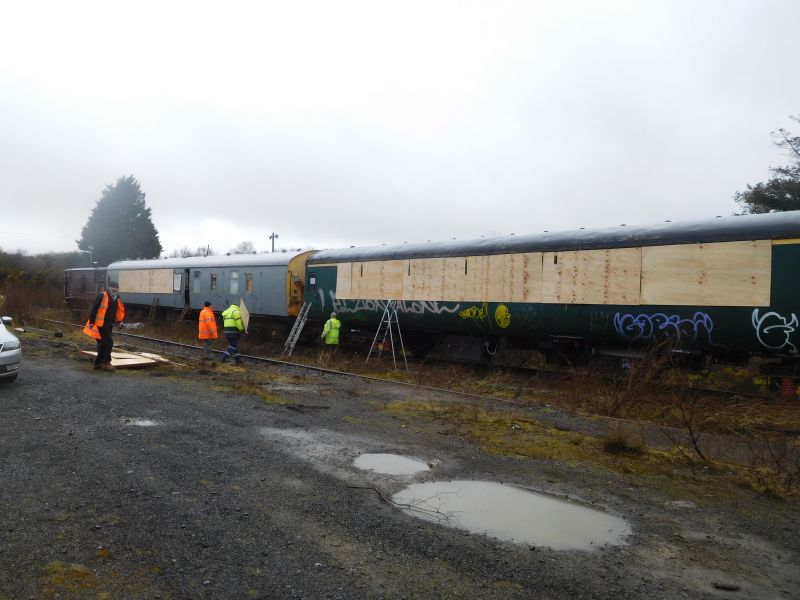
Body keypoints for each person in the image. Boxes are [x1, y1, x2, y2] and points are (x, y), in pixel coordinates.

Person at [83, 281, 125, 370]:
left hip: (110, 323)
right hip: (100, 324)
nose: (114, 289)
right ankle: (106, 363)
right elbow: (94, 309)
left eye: (116, 287)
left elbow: (119, 311)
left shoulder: (117, 297)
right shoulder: (102, 295)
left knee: (102, 343)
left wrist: (119, 321)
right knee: (109, 342)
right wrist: (91, 322)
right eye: (113, 287)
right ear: (109, 287)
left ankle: (97, 363)